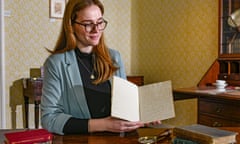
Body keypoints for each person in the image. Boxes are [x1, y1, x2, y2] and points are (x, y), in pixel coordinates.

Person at [41, 0, 160, 135]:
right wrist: (104, 125)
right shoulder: (56, 63)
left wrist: (143, 116)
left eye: (99, 22)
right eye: (88, 24)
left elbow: (124, 107)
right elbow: (49, 119)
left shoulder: (114, 57)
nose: (96, 29)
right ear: (71, 26)